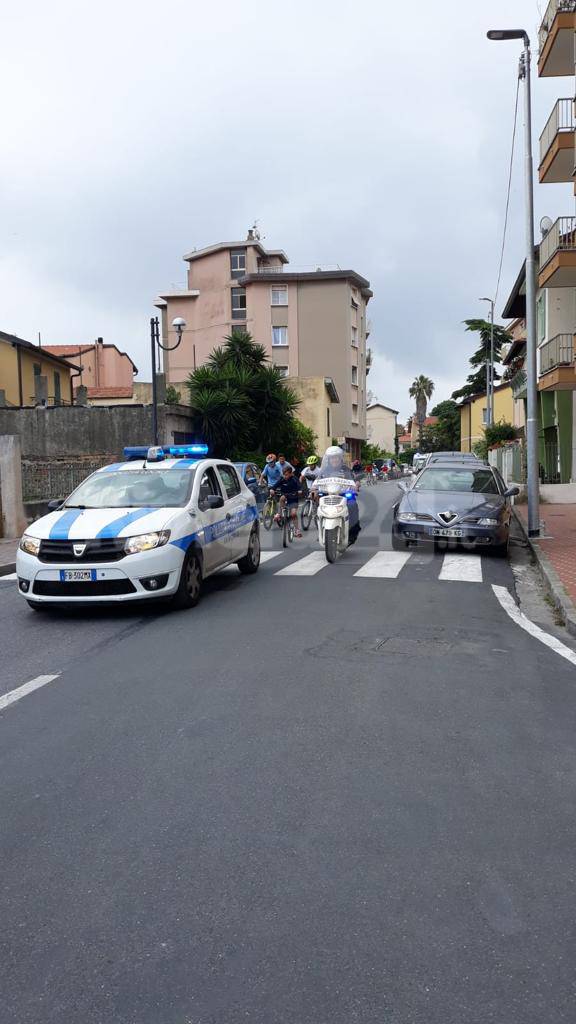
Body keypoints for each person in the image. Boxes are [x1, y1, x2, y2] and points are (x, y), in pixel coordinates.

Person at [311, 445, 361, 544]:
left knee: (352, 505)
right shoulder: (325, 470)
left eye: (336, 457)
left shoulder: (346, 469)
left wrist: (356, 485)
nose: (334, 460)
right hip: (327, 495)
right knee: (317, 507)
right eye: (332, 458)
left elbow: (353, 480)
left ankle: (352, 533)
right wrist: (314, 489)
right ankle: (321, 531)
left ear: (340, 458)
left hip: (343, 495)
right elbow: (318, 481)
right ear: (329, 459)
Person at [271, 466, 302, 537]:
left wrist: (300, 491)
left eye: (286, 474)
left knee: (293, 514)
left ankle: (297, 530)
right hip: (285, 496)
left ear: (291, 474)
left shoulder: (295, 479)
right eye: (284, 474)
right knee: (282, 498)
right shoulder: (282, 479)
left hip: (293, 498)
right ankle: (279, 514)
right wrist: (272, 490)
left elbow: (300, 487)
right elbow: (274, 486)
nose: (285, 476)